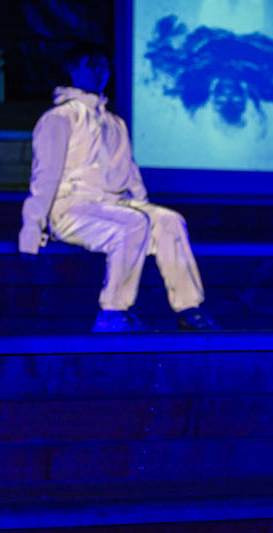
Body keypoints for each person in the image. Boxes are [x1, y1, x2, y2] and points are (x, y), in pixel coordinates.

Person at [19, 43, 220, 333]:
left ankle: (189, 308)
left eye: (105, 66)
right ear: (74, 70)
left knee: (169, 221)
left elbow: (131, 175)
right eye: (93, 65)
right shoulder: (59, 118)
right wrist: (32, 226)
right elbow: (45, 175)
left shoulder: (115, 123)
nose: (101, 71)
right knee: (132, 224)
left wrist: (148, 210)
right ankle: (112, 313)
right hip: (72, 208)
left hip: (113, 206)